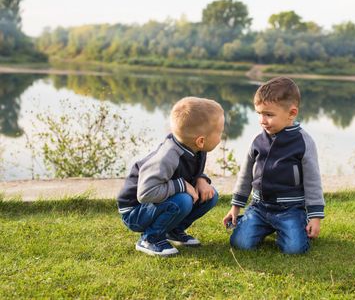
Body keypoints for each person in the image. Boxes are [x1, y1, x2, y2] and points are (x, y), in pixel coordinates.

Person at [223, 76, 325, 254]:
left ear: (291, 113)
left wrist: (315, 217)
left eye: (269, 115)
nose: (262, 120)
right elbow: (245, 175)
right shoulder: (257, 140)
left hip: (290, 210)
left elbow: (313, 181)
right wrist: (235, 207)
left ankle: (294, 227)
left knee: (294, 250)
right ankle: (251, 222)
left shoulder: (303, 142)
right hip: (259, 208)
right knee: (240, 243)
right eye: (259, 113)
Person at [117, 96, 224, 257]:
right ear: (201, 141)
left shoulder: (196, 149)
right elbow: (145, 194)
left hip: (158, 201)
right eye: (219, 132)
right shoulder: (167, 157)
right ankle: (150, 239)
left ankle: (173, 230)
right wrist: (182, 185)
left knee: (210, 195)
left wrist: (201, 179)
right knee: (183, 199)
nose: (221, 136)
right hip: (135, 211)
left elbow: (189, 171)